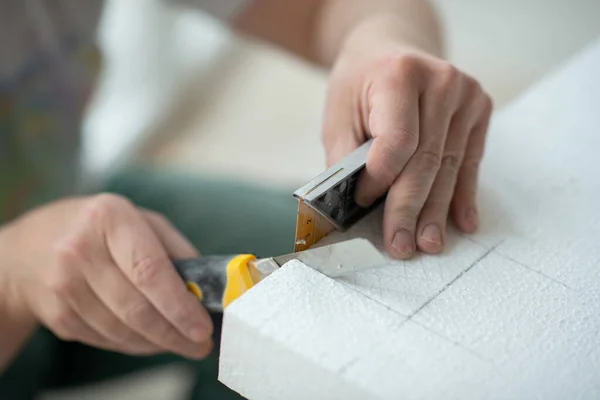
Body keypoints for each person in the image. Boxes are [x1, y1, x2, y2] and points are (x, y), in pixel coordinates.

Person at [0, 0, 493, 398]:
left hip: (75, 204)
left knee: (317, 293)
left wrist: (385, 43)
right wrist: (12, 276)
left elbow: (328, 9)